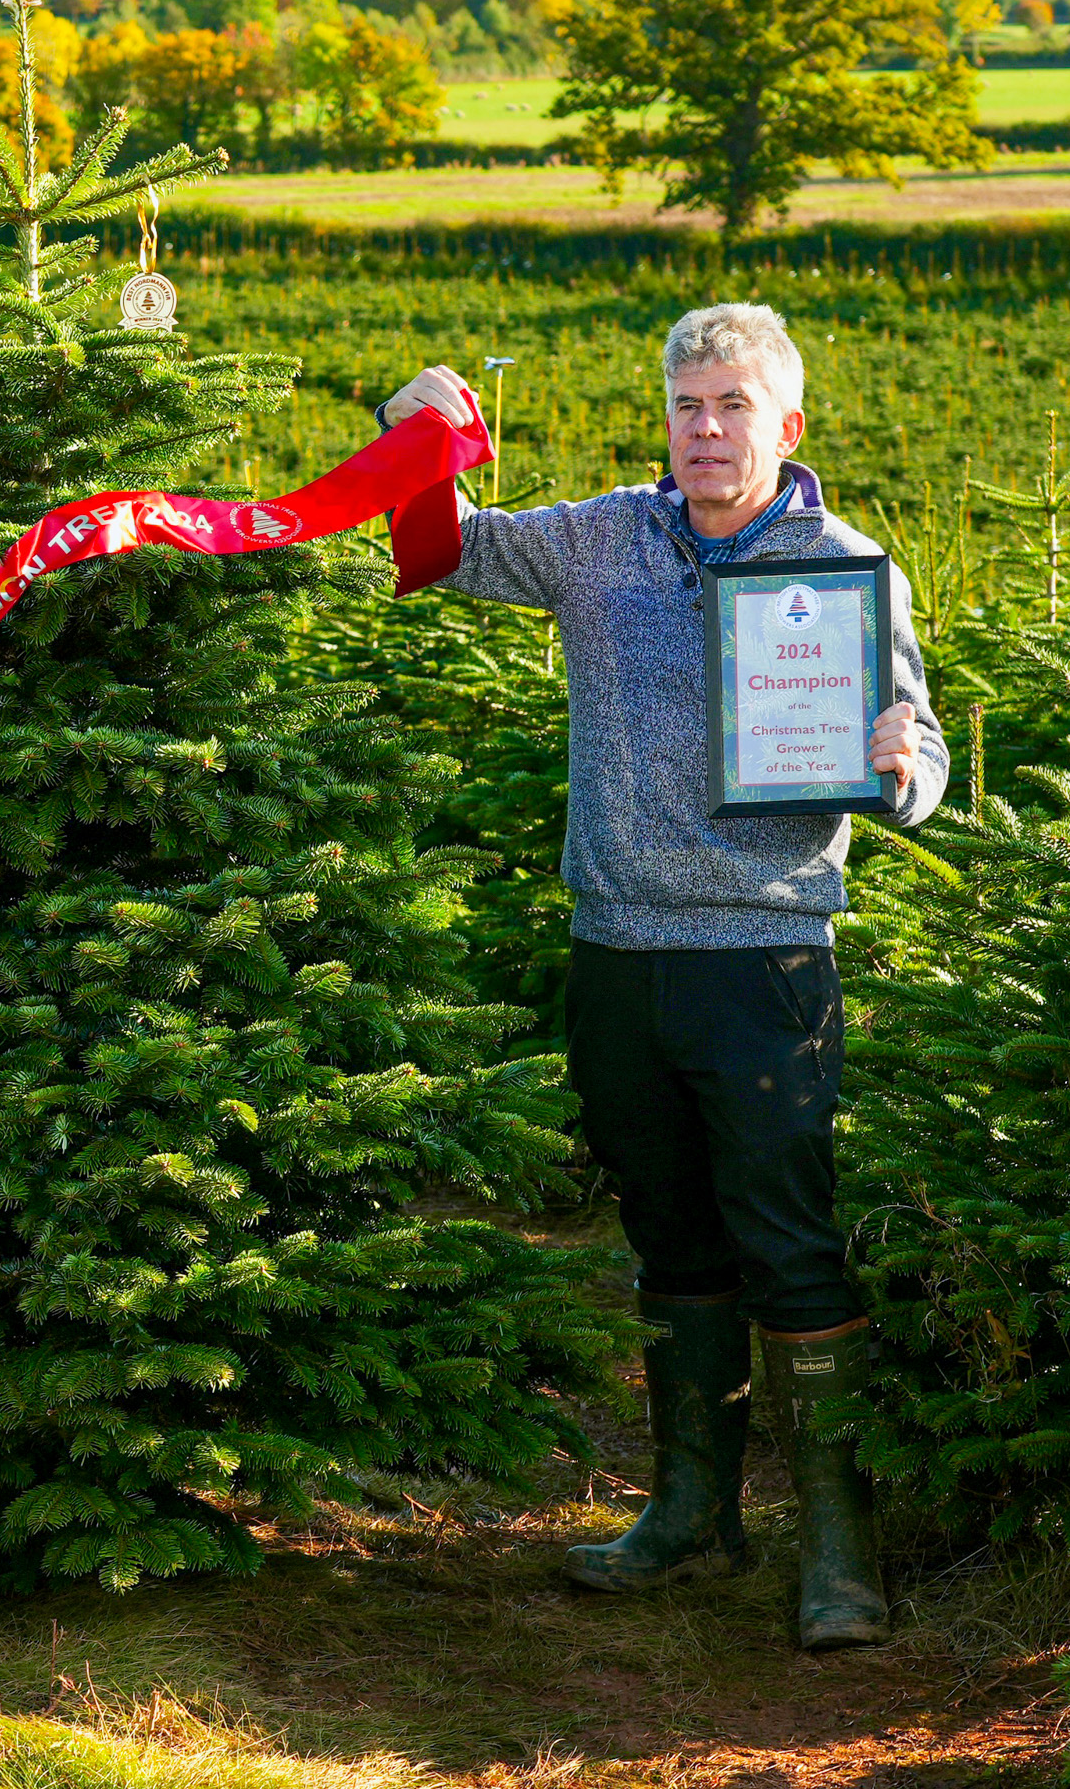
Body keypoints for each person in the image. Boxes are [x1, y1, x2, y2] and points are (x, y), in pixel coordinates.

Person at [386, 302, 945, 1652]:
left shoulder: (842, 564)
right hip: (618, 958)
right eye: (689, 406)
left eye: (733, 407)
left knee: (789, 1243)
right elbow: (441, 559)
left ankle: (838, 1551)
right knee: (670, 1243)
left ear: (786, 425)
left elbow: (916, 744)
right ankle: (690, 1514)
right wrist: (412, 434)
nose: (707, 429)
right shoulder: (595, 542)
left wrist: (900, 769)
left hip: (763, 959)